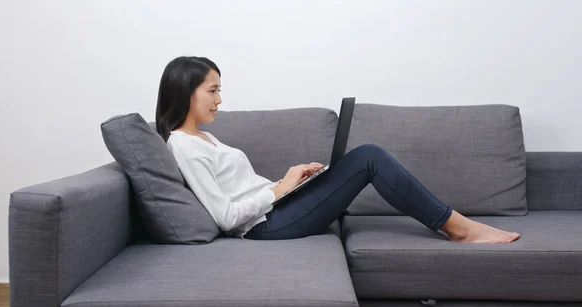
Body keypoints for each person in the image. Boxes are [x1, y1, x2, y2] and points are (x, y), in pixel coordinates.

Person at [156, 56, 521, 244]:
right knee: (369, 157)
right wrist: (279, 189)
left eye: (220, 90)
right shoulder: (183, 145)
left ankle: (456, 225)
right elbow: (225, 217)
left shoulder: (206, 138)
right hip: (265, 228)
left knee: (365, 157)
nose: (220, 100)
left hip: (278, 209)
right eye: (212, 90)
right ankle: (457, 228)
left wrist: (292, 181)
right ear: (185, 91)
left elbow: (242, 187)